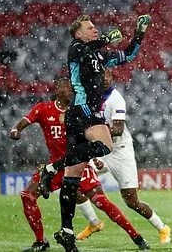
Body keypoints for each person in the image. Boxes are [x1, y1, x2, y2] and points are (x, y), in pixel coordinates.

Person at [47, 14, 151, 252]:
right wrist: (105, 38)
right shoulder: (75, 49)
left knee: (72, 176)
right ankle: (56, 168)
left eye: (95, 27)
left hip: (80, 116)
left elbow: (128, 55)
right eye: (89, 28)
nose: (94, 30)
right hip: (81, 110)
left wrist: (139, 34)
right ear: (78, 33)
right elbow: (85, 51)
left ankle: (67, 231)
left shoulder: (99, 55)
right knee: (105, 147)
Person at [9, 77, 149, 252]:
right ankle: (40, 242)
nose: (71, 91)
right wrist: (16, 129)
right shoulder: (43, 109)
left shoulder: (81, 112)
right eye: (67, 87)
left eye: (73, 88)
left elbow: (94, 135)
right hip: (55, 166)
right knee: (27, 195)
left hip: (78, 164)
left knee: (101, 201)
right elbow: (26, 119)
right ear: (58, 89)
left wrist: (95, 156)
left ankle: (137, 237)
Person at [81, 69, 171, 244]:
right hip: (100, 149)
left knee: (131, 200)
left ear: (111, 77)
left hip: (120, 151)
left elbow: (118, 129)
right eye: (101, 76)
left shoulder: (115, 99)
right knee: (75, 182)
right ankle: (94, 222)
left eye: (107, 76)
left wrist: (92, 133)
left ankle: (163, 228)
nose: (104, 80)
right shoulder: (90, 97)